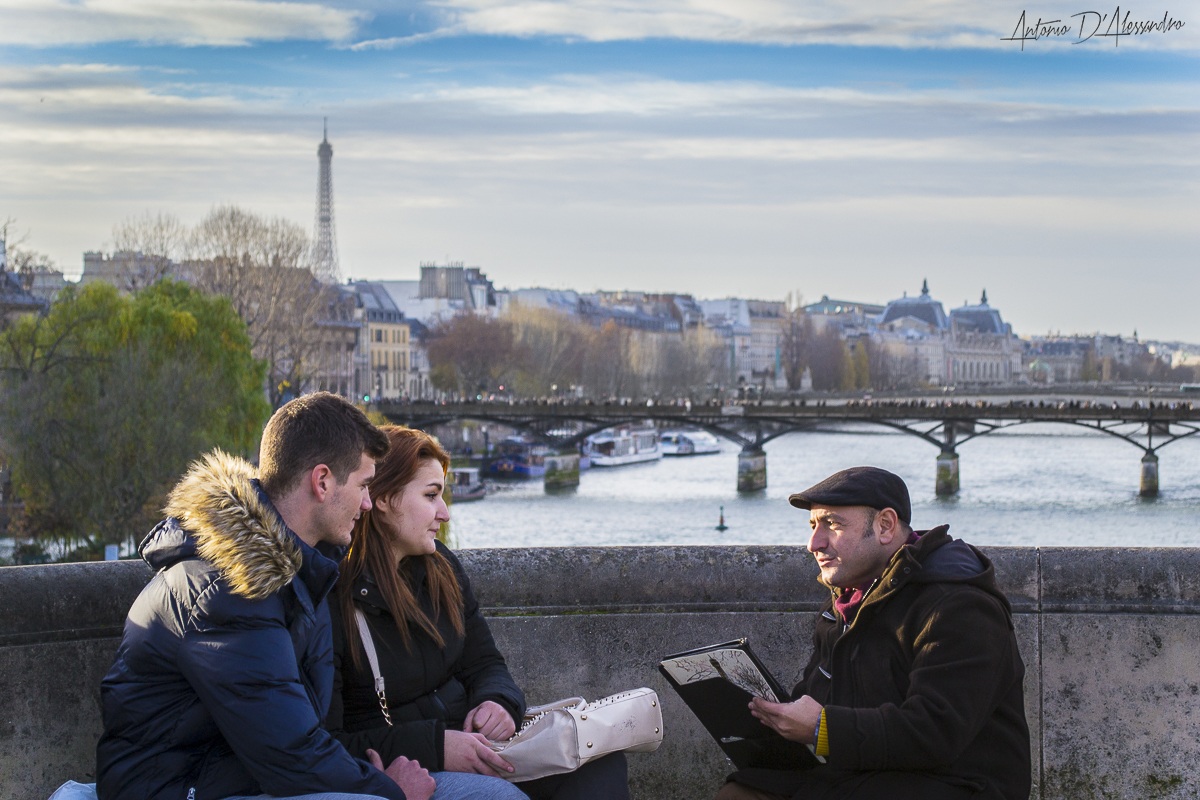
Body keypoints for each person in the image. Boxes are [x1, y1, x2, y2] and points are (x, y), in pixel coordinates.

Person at [96, 392, 436, 800]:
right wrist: (391, 791)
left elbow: (302, 737)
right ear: (322, 481)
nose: (367, 503)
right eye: (363, 485)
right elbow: (292, 755)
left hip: (231, 776)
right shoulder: (232, 586)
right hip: (172, 788)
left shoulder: (300, 569)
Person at [327, 425, 630, 800]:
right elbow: (331, 741)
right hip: (413, 765)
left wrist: (499, 704)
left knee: (601, 764)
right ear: (385, 499)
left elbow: (486, 663)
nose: (445, 513)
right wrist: (437, 747)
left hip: (478, 746)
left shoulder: (442, 568)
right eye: (431, 495)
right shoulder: (335, 595)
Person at [716, 466, 1030, 800]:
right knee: (740, 792)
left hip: (956, 783)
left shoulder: (957, 603)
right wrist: (768, 719)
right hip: (864, 773)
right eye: (812, 525)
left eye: (832, 524)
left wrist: (824, 729)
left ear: (884, 526)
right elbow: (817, 699)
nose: (813, 544)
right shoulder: (847, 600)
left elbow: (934, 731)